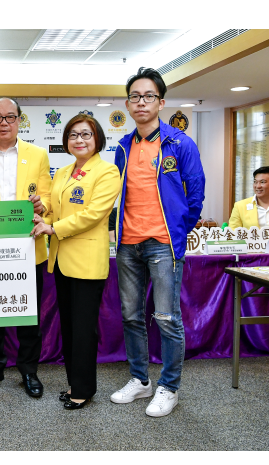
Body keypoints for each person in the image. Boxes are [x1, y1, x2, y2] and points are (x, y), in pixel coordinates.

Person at [110, 67, 205, 417]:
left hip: (163, 243)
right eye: (135, 96)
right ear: (127, 104)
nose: (141, 102)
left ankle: (169, 386)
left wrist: (178, 229)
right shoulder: (123, 146)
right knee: (131, 316)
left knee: (166, 317)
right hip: (127, 244)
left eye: (148, 96)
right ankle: (140, 380)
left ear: (161, 102)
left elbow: (195, 193)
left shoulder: (180, 143)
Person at [32, 114, 120, 409]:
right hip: (61, 260)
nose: (79, 140)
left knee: (83, 329)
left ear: (97, 139)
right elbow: (55, 209)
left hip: (86, 262)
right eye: (73, 135)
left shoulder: (107, 172)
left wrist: (52, 228)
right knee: (69, 327)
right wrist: (41, 211)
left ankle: (83, 389)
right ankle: (74, 383)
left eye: (85, 134)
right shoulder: (63, 172)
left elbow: (93, 214)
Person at [0, 97, 51, 398]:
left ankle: (29, 370)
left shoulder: (38, 154)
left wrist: (42, 206)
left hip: (28, 245)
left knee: (29, 314)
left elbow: (48, 196)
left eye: (10, 117)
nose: (4, 123)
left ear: (20, 120)